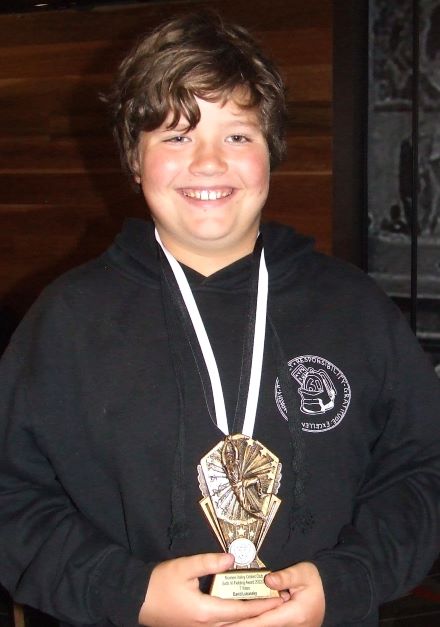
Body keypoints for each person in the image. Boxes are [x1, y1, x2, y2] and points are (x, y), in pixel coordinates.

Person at [0, 11, 439, 627]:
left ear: (271, 154)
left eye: (238, 135)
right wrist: (127, 593)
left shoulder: (354, 307)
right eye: (176, 136)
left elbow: (421, 470)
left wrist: (349, 580)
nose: (208, 163)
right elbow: (11, 496)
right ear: (134, 160)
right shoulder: (67, 320)